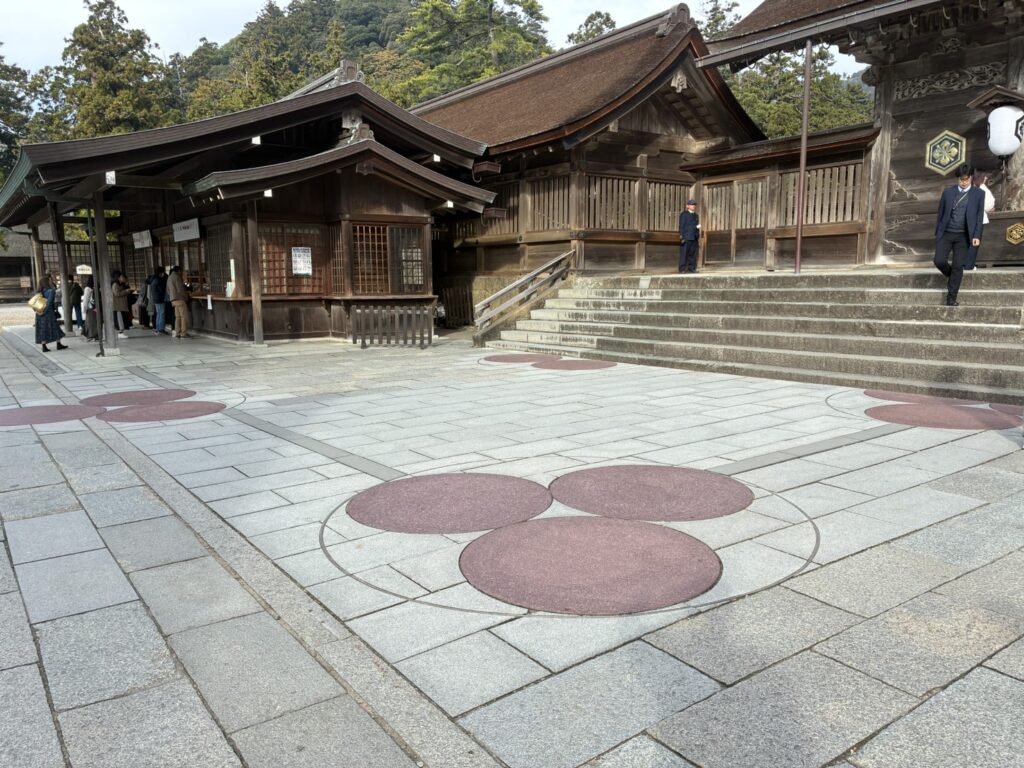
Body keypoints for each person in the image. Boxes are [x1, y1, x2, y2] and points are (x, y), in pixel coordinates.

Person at [933, 164, 985, 307]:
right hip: (947, 233)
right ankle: (953, 276)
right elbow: (941, 213)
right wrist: (938, 232)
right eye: (961, 179)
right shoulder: (948, 192)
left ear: (971, 178)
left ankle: (951, 298)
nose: (963, 182)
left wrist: (976, 236)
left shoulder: (979, 194)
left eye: (966, 179)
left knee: (957, 266)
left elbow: (979, 217)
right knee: (939, 261)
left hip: (964, 236)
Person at [34, 276, 67, 353]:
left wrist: (38, 311)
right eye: (49, 281)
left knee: (42, 329)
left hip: (39, 313)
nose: (51, 282)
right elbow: (49, 303)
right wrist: (44, 311)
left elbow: (34, 303)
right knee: (55, 328)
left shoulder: (38, 292)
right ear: (46, 282)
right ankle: (58, 344)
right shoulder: (51, 291)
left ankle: (44, 346)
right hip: (48, 313)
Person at [167, 265, 190, 338]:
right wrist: (186, 295)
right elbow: (180, 289)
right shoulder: (177, 277)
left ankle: (177, 332)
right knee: (184, 317)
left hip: (173, 300)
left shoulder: (169, 277)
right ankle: (183, 333)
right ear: (179, 271)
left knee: (178, 317)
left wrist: (172, 296)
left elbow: (168, 290)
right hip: (179, 299)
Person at [678, 198, 700, 273]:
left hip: (694, 237)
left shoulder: (696, 215)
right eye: (691, 204)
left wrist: (697, 235)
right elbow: (681, 226)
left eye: (694, 204)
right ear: (687, 206)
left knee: (692, 254)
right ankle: (682, 269)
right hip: (686, 237)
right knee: (684, 254)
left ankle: (692, 268)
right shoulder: (684, 214)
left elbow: (696, 226)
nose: (693, 206)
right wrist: (681, 236)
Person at [111, 271, 132, 337]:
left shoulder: (121, 284)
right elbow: (116, 293)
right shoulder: (115, 284)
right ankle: (120, 333)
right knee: (120, 318)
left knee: (122, 318)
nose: (123, 278)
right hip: (118, 305)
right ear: (118, 278)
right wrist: (126, 291)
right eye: (122, 277)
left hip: (122, 304)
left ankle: (121, 332)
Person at [148, 266, 168, 334]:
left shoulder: (153, 279)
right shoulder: (159, 280)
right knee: (161, 314)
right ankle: (161, 329)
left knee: (158, 314)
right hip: (160, 299)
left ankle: (158, 328)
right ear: (161, 273)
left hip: (156, 299)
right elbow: (162, 290)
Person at [81, 275, 98, 341]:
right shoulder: (96, 287)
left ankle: (91, 336)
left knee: (89, 322)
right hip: (95, 307)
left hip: (90, 307)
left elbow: (86, 300)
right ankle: (96, 335)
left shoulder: (87, 289)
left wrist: (84, 309)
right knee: (95, 321)